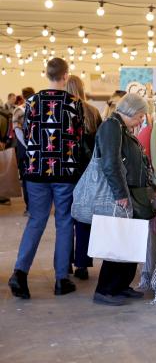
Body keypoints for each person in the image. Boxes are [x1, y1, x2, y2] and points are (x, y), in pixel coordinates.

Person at [8, 58, 84, 299]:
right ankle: (62, 279)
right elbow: (79, 138)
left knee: (35, 221)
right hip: (64, 171)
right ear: (66, 75)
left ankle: (19, 273)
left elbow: (24, 132)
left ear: (47, 74)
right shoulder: (74, 104)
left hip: (36, 171)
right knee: (64, 222)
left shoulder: (31, 102)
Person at [93, 93, 156, 306]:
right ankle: (105, 290)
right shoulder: (112, 126)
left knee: (130, 241)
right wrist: (120, 193)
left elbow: (133, 163)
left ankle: (121, 286)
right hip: (124, 194)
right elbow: (110, 162)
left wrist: (152, 187)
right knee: (119, 242)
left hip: (133, 192)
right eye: (140, 116)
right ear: (131, 111)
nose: (141, 121)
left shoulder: (121, 127)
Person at [65, 75, 102, 281]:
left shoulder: (61, 110)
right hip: (87, 173)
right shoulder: (92, 111)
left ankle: (64, 264)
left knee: (65, 219)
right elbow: (99, 144)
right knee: (84, 219)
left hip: (65, 172)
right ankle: (81, 264)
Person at [13, 90, 32, 214]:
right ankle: (29, 207)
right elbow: (18, 131)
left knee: (29, 179)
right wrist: (28, 146)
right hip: (25, 150)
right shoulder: (20, 110)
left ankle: (31, 207)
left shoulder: (28, 109)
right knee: (26, 178)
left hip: (27, 149)